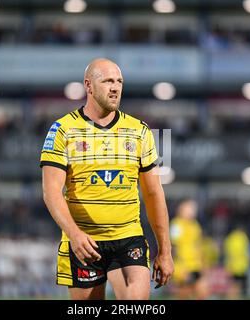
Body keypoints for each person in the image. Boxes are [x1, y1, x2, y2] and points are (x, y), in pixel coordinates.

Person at [40, 58, 174, 300]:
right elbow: (51, 192)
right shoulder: (62, 130)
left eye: (119, 81)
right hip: (84, 242)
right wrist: (74, 234)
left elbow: (154, 194)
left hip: (128, 239)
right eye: (108, 81)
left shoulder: (140, 131)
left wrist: (165, 251)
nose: (115, 87)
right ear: (88, 86)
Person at [169, 199, 209, 299]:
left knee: (203, 292)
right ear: (181, 210)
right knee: (184, 294)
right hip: (183, 266)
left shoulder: (195, 225)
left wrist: (203, 264)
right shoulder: (176, 224)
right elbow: (173, 246)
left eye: (193, 209)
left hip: (196, 265)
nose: (192, 211)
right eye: (189, 208)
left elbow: (198, 245)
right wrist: (179, 266)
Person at [223, 224, 250, 300]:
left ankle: (231, 297)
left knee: (233, 285)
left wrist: (228, 266)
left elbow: (228, 253)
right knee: (237, 286)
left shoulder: (230, 238)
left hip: (232, 265)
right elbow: (246, 252)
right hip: (241, 266)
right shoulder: (243, 237)